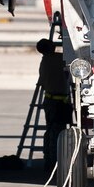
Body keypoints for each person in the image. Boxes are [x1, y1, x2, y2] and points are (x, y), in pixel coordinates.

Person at [36, 38, 71, 171]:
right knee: (58, 132)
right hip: (59, 102)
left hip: (50, 100)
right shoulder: (58, 59)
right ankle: (55, 161)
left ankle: (49, 159)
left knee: (50, 130)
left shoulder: (44, 61)